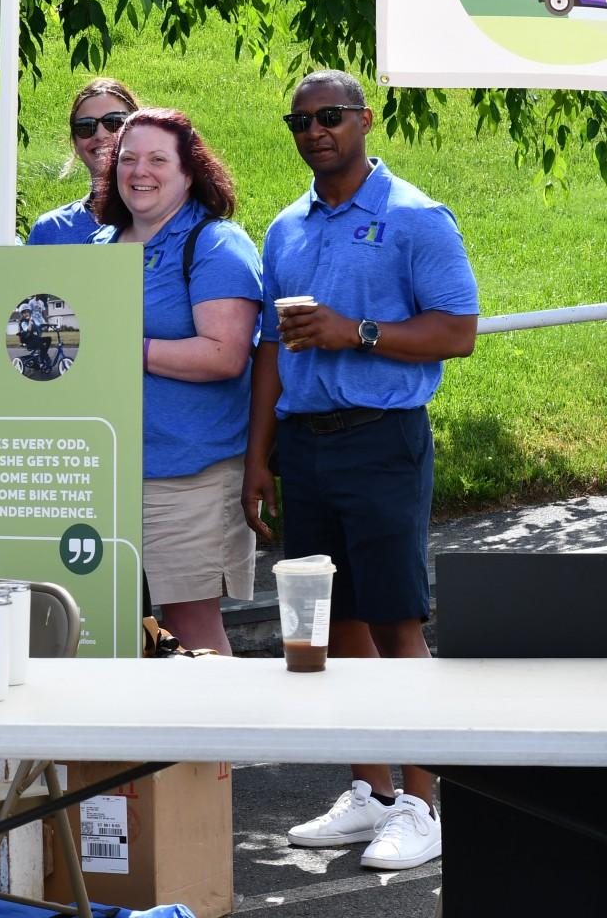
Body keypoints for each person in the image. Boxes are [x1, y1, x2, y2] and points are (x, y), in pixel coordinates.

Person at [243, 70, 478, 872]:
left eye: (331, 116)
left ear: (365, 120)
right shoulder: (286, 229)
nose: (315, 130)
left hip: (382, 438)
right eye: (301, 120)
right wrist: (257, 460)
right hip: (305, 446)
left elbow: (458, 331)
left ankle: (423, 800)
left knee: (394, 620)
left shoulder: (415, 218)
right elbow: (272, 348)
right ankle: (368, 791)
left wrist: (359, 332)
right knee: (329, 626)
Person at [91, 109, 262, 656]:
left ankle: (210, 745)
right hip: (102, 476)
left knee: (191, 631)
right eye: (129, 158)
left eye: (158, 159)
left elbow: (224, 354)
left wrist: (128, 350)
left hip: (187, 476)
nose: (140, 171)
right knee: (112, 626)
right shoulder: (95, 249)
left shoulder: (215, 244)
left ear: (190, 173)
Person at [27, 77, 142, 246]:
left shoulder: (170, 222)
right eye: (85, 126)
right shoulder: (51, 230)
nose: (100, 135)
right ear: (75, 142)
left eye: (115, 122)